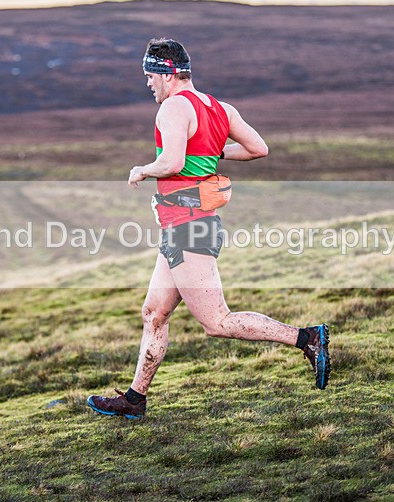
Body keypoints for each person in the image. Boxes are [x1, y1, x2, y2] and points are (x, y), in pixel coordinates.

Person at [87, 38, 330, 419]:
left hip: (189, 228)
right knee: (153, 313)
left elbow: (170, 162)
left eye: (150, 76)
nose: (149, 84)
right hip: (185, 226)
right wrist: (214, 152)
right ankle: (134, 400)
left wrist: (143, 170)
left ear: (167, 73)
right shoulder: (220, 108)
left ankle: (306, 338)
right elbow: (257, 148)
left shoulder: (173, 108)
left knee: (217, 322)